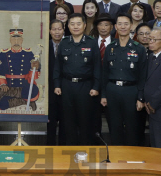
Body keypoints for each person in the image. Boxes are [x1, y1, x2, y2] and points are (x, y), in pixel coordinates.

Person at [53, 13, 101, 145]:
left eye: (78, 24)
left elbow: (97, 66)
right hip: (67, 86)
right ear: (67, 26)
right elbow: (58, 66)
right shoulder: (64, 42)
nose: (75, 27)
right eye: (72, 24)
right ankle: (70, 150)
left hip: (85, 86)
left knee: (85, 120)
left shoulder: (91, 42)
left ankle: (86, 150)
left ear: (84, 25)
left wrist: (96, 87)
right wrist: (57, 84)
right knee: (68, 121)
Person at [101, 13, 148, 146]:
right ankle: (116, 158)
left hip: (131, 92)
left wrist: (140, 97)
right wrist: (103, 95)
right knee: (114, 127)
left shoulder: (138, 49)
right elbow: (105, 73)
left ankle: (131, 158)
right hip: (112, 90)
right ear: (115, 26)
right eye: (120, 24)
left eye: (126, 24)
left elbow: (143, 75)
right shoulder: (110, 48)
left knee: (132, 128)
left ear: (131, 26)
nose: (123, 27)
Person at [47, 19, 66, 146]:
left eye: (59, 29)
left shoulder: (68, 44)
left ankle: (63, 149)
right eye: (54, 29)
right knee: (51, 123)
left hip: (66, 89)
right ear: (49, 31)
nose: (57, 32)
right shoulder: (44, 45)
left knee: (66, 123)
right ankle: (50, 148)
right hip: (49, 90)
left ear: (64, 30)